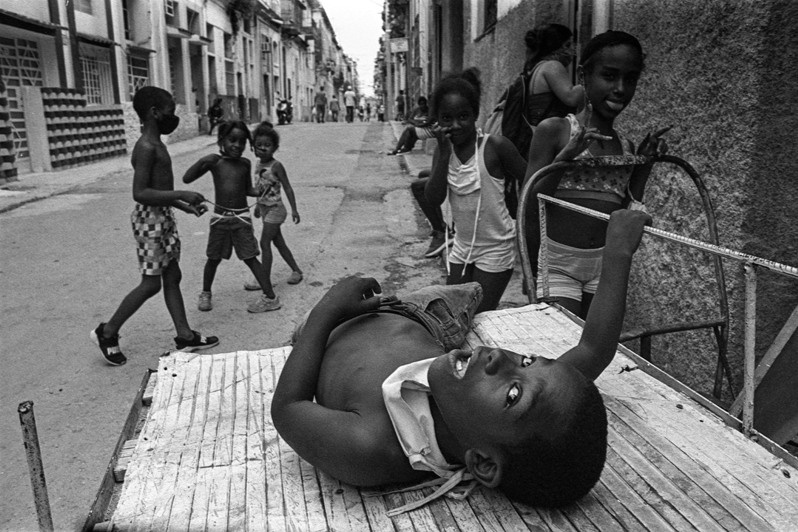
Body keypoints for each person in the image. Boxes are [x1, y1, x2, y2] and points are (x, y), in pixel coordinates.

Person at [272, 209, 651, 511]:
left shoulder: (373, 447)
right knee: (469, 291)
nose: (500, 356)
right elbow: (593, 350)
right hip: (431, 320)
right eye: (528, 360)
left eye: (513, 394)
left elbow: (288, 408)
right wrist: (618, 252)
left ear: (482, 463)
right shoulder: (522, 397)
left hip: (331, 327)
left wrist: (326, 311)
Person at [525, 31, 669, 318]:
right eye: (609, 76)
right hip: (558, 264)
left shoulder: (625, 146)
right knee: (563, 340)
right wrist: (564, 159)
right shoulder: (556, 131)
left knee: (595, 342)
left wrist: (644, 164)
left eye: (630, 79)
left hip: (603, 264)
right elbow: (529, 204)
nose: (620, 88)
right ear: (583, 75)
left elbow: (625, 209)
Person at [91, 87, 218, 366]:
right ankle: (107, 332)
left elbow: (159, 190)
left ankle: (185, 336)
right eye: (170, 111)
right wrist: (181, 194)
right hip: (150, 221)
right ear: (154, 112)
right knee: (150, 285)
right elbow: (140, 193)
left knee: (172, 277)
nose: (173, 117)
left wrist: (184, 206)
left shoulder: (158, 144)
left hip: (162, 217)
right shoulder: (147, 147)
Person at [425, 68, 527, 313]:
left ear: (475, 115)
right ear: (437, 120)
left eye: (463, 116)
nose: (455, 125)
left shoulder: (495, 146)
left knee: (479, 316)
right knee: (453, 314)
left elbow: (531, 180)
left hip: (496, 247)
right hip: (461, 246)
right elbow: (433, 198)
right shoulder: (443, 151)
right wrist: (444, 154)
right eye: (446, 118)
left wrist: (525, 228)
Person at [183, 120, 280, 313]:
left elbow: (247, 190)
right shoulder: (215, 162)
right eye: (232, 140)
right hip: (220, 219)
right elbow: (187, 178)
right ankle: (205, 293)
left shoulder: (244, 163)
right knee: (213, 258)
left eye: (242, 142)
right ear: (221, 140)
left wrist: (264, 189)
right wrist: (204, 160)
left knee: (251, 258)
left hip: (241, 218)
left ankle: (271, 298)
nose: (237, 145)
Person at [243, 121, 303, 294]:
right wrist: (257, 206)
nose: (263, 148)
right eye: (259, 145)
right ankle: (296, 270)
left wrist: (294, 209)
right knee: (279, 243)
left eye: (267, 145)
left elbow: (287, 187)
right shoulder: (258, 165)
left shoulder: (276, 166)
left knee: (264, 242)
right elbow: (260, 187)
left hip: (276, 209)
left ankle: (264, 279)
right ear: (253, 147)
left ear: (275, 148)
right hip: (265, 209)